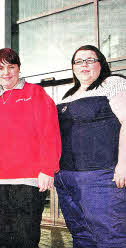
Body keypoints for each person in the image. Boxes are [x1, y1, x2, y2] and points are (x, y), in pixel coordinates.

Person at [0, 48, 61, 248]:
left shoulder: (35, 93)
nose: (6, 72)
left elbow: (50, 131)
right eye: (1, 68)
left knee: (25, 239)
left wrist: (47, 168)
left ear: (19, 68)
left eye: (11, 67)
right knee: (1, 240)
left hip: (28, 179)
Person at [55, 45, 126, 247]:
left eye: (90, 60)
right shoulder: (68, 95)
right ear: (73, 67)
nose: (84, 64)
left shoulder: (112, 83)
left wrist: (123, 165)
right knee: (81, 236)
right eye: (78, 61)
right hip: (66, 177)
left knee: (111, 237)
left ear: (101, 63)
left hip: (100, 178)